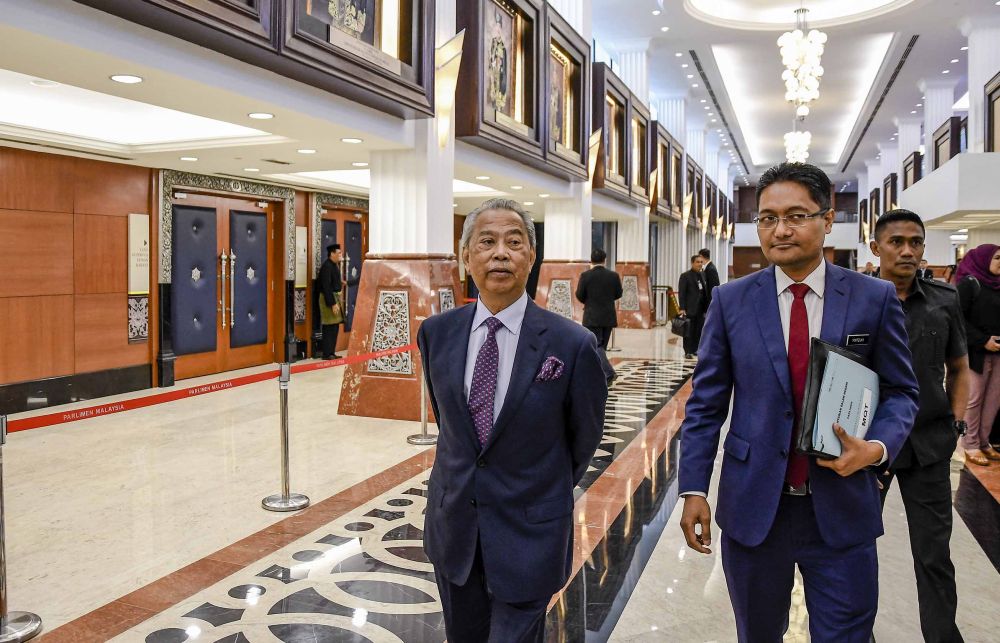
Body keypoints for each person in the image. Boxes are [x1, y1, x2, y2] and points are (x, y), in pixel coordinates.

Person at [678, 162, 919, 642]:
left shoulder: (873, 299)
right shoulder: (731, 301)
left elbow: (902, 392)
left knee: (847, 634)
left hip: (841, 506)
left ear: (827, 220)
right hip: (755, 509)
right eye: (767, 218)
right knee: (758, 633)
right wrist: (694, 489)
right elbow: (705, 406)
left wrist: (875, 449)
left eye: (796, 215)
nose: (780, 229)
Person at [417, 198, 608, 642]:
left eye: (513, 241)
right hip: (456, 529)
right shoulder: (437, 333)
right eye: (486, 242)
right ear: (466, 257)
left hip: (530, 531)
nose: (500, 253)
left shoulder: (572, 344)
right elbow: (450, 424)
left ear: (531, 256)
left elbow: (583, 439)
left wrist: (538, 484)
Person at [870, 209, 970, 643]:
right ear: (876, 248)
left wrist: (958, 424)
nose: (908, 250)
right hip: (869, 446)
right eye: (897, 242)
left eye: (916, 241)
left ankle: (942, 636)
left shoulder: (945, 300)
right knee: (853, 549)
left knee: (934, 554)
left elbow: (960, 368)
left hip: (929, 443)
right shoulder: (856, 299)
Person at [955, 244, 1000, 466]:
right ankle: (970, 443)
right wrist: (983, 340)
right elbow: (958, 320)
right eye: (997, 258)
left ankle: (984, 441)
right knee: (974, 399)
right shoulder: (970, 284)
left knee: (994, 400)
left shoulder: (998, 285)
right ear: (983, 260)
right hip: (976, 353)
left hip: (998, 354)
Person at [576, 247, 623, 384]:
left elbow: (579, 294)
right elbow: (618, 294)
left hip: (591, 316)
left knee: (596, 346)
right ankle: (601, 373)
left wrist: (589, 301)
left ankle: (608, 372)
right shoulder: (613, 276)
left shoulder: (586, 276)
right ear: (605, 260)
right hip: (608, 316)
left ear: (591, 260)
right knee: (601, 346)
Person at [678, 254, 707, 359]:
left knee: (698, 330)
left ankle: (695, 349)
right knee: (688, 331)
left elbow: (704, 291)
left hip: (700, 309)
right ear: (692, 263)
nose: (700, 264)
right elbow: (682, 293)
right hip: (690, 308)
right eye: (697, 262)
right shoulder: (685, 276)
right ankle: (688, 351)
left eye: (701, 262)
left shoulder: (703, 275)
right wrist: (682, 308)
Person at [318, 243, 344, 359]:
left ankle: (332, 352)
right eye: (339, 253)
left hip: (334, 298)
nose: (340, 255)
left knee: (335, 326)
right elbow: (326, 286)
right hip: (328, 299)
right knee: (329, 326)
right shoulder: (327, 266)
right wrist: (333, 303)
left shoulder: (334, 265)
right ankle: (326, 353)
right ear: (332, 254)